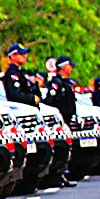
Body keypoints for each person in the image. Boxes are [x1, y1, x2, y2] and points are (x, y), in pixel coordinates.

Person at [44, 56, 79, 185]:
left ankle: (62, 173)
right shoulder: (56, 83)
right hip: (58, 122)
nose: (71, 69)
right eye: (70, 66)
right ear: (64, 67)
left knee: (66, 148)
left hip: (67, 120)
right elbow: (49, 101)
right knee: (60, 148)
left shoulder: (67, 83)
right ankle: (56, 175)